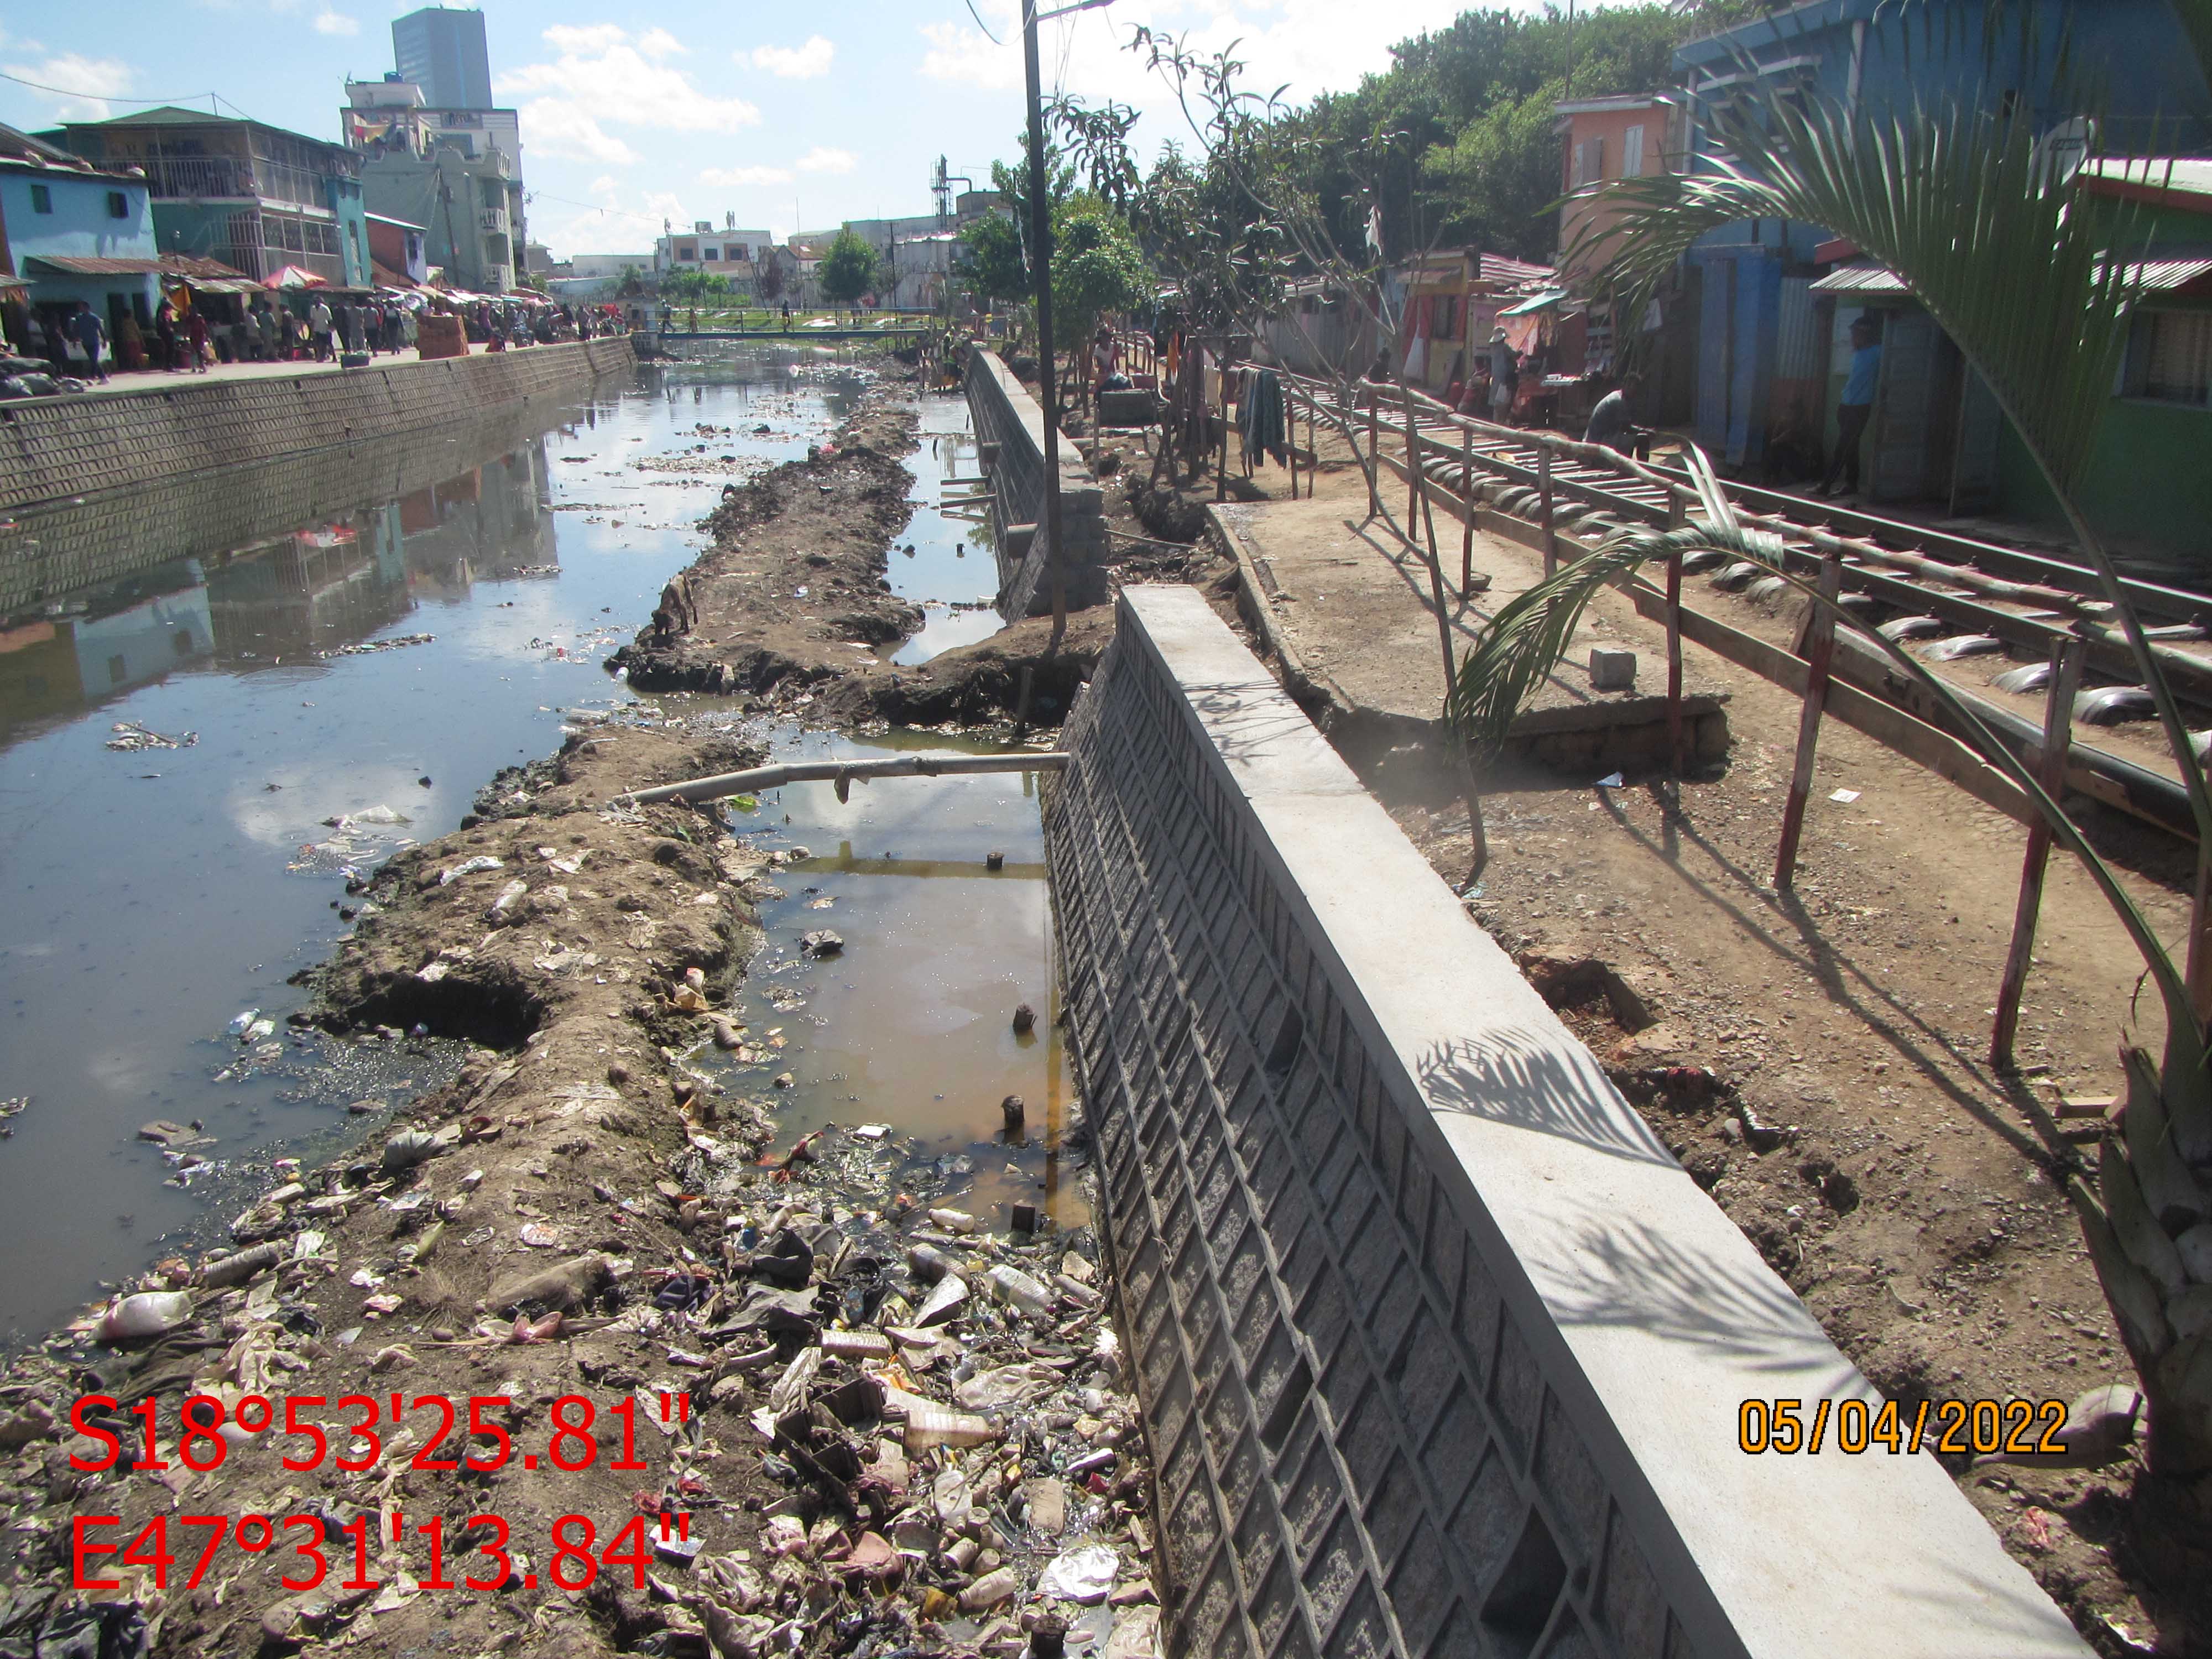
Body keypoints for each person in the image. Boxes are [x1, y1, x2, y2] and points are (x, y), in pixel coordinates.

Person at [1820, 312, 1883, 498]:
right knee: (1852, 447)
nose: (1853, 337)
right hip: (1847, 405)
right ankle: (1851, 483)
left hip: (1860, 407)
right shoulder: (1859, 353)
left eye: (1856, 334)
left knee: (1842, 448)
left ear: (1865, 335)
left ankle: (1826, 485)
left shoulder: (1877, 352)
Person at [1583, 371, 1644, 456]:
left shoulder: (1618, 396)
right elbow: (1626, 428)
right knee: (1643, 439)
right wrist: (1644, 431)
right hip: (1599, 441)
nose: (1632, 389)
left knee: (1630, 438)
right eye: (1630, 386)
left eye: (1634, 387)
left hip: (1595, 439)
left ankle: (1626, 463)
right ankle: (1642, 467)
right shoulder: (1618, 401)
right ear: (1623, 385)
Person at [1486, 327, 1517, 424]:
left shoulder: (1493, 348)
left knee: (1497, 403)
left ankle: (1496, 423)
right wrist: (1520, 354)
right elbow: (1514, 356)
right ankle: (1501, 424)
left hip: (1496, 377)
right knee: (1503, 403)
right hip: (1504, 378)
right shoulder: (1505, 348)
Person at [71, 301, 108, 382]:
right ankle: (99, 377)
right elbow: (76, 330)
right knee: (92, 360)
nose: (80, 309)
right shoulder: (79, 318)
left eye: (81, 307)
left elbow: (101, 330)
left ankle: (96, 376)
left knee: (94, 359)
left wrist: (104, 340)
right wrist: (74, 340)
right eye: (79, 307)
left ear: (87, 308)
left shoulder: (94, 318)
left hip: (94, 342)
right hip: (85, 342)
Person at [185, 306, 210, 373]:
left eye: (192, 310)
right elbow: (187, 327)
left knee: (199, 351)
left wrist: (207, 335)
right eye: (190, 310)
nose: (191, 312)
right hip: (193, 336)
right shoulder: (189, 318)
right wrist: (186, 335)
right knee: (193, 351)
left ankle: (203, 366)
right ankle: (194, 367)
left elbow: (204, 326)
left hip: (200, 335)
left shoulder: (199, 317)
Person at [309, 295, 333, 361]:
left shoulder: (325, 308)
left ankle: (334, 356)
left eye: (317, 301)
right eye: (315, 301)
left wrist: (330, 328)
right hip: (317, 327)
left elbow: (330, 319)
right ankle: (321, 357)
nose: (316, 302)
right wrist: (312, 330)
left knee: (328, 343)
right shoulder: (313, 308)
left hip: (325, 327)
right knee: (319, 343)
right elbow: (313, 320)